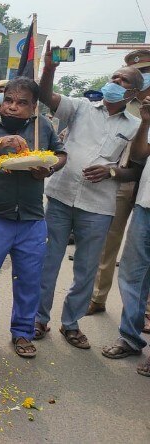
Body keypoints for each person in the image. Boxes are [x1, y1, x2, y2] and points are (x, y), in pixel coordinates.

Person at [34, 43, 143, 350]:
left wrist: (111, 172)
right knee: (48, 260)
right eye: (115, 77)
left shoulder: (136, 127)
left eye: (124, 82)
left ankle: (71, 323)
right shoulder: (81, 106)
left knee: (86, 268)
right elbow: (46, 96)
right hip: (60, 196)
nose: (116, 83)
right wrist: (50, 68)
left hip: (98, 206)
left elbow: (134, 170)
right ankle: (39, 318)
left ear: (134, 93)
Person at [0, 77, 67, 358]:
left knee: (30, 279)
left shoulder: (42, 126)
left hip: (32, 218)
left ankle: (22, 332)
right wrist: (0, 144)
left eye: (21, 103)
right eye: (8, 100)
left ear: (33, 107)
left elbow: (60, 154)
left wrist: (48, 168)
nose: (12, 107)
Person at [88, 49, 150, 318]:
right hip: (119, 182)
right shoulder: (123, 103)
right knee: (108, 243)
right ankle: (98, 297)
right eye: (143, 73)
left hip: (143, 185)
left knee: (140, 257)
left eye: (148, 73)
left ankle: (143, 308)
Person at [101, 97, 150, 374]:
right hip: (146, 206)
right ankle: (130, 338)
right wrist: (145, 121)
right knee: (133, 275)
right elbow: (140, 155)